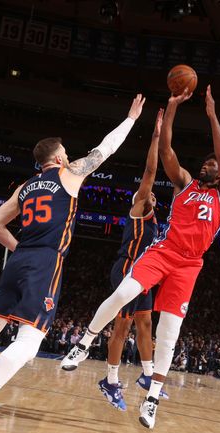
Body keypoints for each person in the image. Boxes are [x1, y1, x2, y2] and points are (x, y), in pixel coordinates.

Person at [0, 94, 146, 433]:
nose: (69, 155)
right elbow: (105, 149)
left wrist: (19, 248)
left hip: (18, 260)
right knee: (31, 341)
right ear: (57, 158)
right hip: (45, 263)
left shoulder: (24, 188)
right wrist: (130, 120)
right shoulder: (70, 174)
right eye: (65, 151)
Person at [61, 85, 220, 429]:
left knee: (169, 333)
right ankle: (84, 343)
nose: (210, 164)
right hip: (165, 251)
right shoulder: (184, 183)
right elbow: (167, 149)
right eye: (207, 162)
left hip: (190, 265)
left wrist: (212, 114)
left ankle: (152, 399)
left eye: (213, 164)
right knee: (123, 294)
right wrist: (171, 108)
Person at [60, 109, 169, 408]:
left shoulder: (155, 221)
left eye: (152, 196)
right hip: (126, 272)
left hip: (145, 275)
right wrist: (157, 136)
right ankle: (109, 381)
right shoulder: (138, 211)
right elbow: (149, 173)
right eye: (146, 194)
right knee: (122, 328)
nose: (151, 196)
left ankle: (147, 375)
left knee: (145, 325)